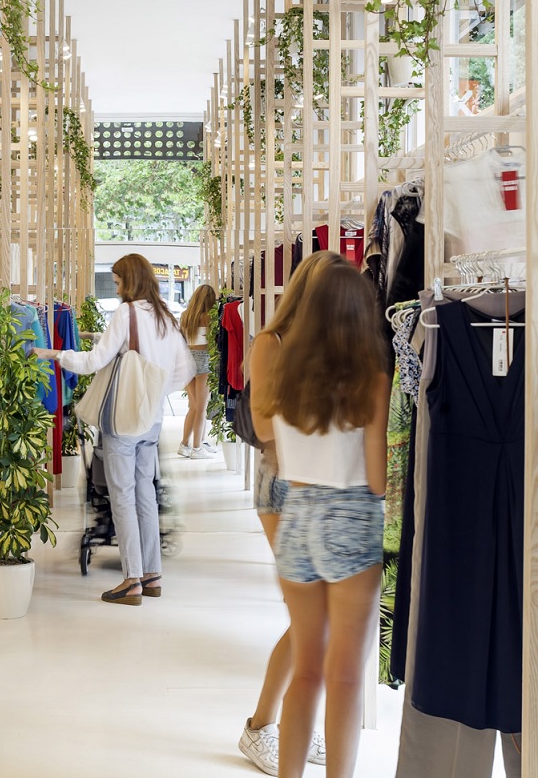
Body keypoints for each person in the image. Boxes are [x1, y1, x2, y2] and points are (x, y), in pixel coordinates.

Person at [251, 252, 390, 778]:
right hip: (351, 517)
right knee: (347, 677)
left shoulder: (283, 377)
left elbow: (271, 442)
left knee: (306, 669)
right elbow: (376, 479)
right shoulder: (371, 381)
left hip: (297, 516)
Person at [32, 254, 195, 606]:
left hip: (123, 419)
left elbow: (94, 362)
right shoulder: (166, 315)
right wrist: (153, 391)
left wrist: (55, 355)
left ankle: (131, 579)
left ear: (130, 281)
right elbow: (184, 372)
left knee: (121, 495)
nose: (117, 287)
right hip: (151, 419)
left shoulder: (127, 313)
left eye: (119, 281)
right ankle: (152, 575)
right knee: (146, 494)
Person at [239, 253, 334, 775]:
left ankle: (292, 721)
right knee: (308, 617)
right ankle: (260, 726)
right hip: (282, 485)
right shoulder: (270, 343)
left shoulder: (330, 343)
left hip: (323, 486)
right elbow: (267, 425)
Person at [177, 283, 217, 459]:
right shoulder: (209, 317)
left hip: (187, 360)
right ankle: (197, 448)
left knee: (193, 407)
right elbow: (213, 341)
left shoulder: (186, 316)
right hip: (203, 359)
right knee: (202, 408)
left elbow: (181, 339)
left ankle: (184, 445)